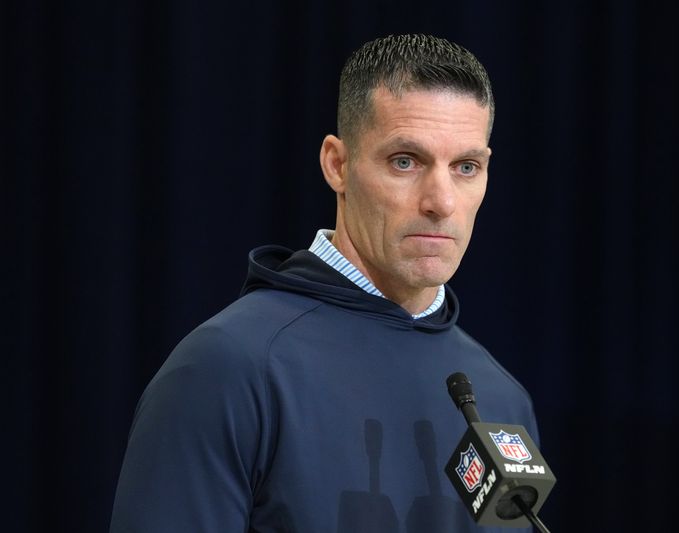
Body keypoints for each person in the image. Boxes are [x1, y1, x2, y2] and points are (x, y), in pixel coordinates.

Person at [110, 34, 539, 533]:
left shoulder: (500, 399)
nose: (441, 202)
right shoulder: (228, 368)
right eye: (405, 161)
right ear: (337, 164)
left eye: (466, 167)